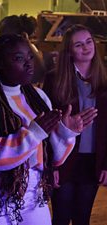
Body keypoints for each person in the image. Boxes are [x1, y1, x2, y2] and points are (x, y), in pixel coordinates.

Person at [0, 34, 97, 225]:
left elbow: (53, 159)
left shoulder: (38, 97)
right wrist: (34, 133)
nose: (29, 63)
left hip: (34, 194)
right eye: (19, 58)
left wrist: (67, 133)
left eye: (29, 56)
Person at [42, 24, 107, 225]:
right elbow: (47, 126)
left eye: (89, 42)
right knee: (60, 217)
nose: (86, 48)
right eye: (78, 45)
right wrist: (51, 165)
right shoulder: (54, 78)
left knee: (82, 217)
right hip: (64, 159)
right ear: (69, 51)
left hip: (93, 160)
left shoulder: (105, 79)